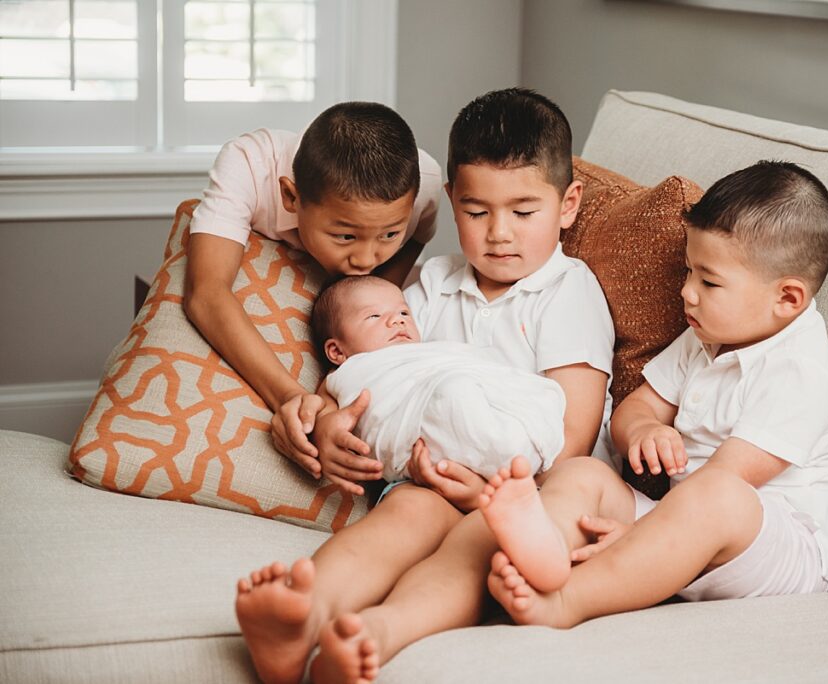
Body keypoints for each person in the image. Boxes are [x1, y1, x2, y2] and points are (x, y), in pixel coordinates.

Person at [233, 88, 614, 684]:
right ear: (451, 203)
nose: (499, 234)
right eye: (477, 211)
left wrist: (485, 495)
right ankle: (302, 617)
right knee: (397, 523)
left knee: (467, 550)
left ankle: (378, 634)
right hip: (426, 477)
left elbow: (573, 437)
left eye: (523, 211)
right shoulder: (431, 284)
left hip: (520, 498)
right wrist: (333, 419)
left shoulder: (568, 292)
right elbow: (381, 373)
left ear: (567, 205)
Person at [478, 160, 828, 628]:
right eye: (688, 271)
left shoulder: (804, 370)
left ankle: (568, 601)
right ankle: (542, 554)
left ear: (788, 299)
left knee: (720, 494)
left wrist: (641, 535)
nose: (687, 293)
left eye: (709, 281)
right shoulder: (706, 335)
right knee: (584, 473)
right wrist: (644, 429)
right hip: (684, 523)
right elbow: (635, 409)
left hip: (778, 555)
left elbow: (729, 479)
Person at [182, 102, 443, 478]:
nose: (366, 259)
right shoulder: (250, 165)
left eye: (388, 235)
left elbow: (398, 259)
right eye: (345, 235)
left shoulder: (428, 182)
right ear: (290, 196)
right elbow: (206, 293)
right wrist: (290, 398)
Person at [311, 274, 565, 483]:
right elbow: (327, 397)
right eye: (374, 316)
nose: (397, 320)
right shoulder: (352, 370)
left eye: (403, 312)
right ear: (336, 351)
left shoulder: (432, 352)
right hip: (433, 416)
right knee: (453, 391)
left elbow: (472, 363)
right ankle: (504, 451)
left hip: (486, 409)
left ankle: (517, 442)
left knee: (507, 384)